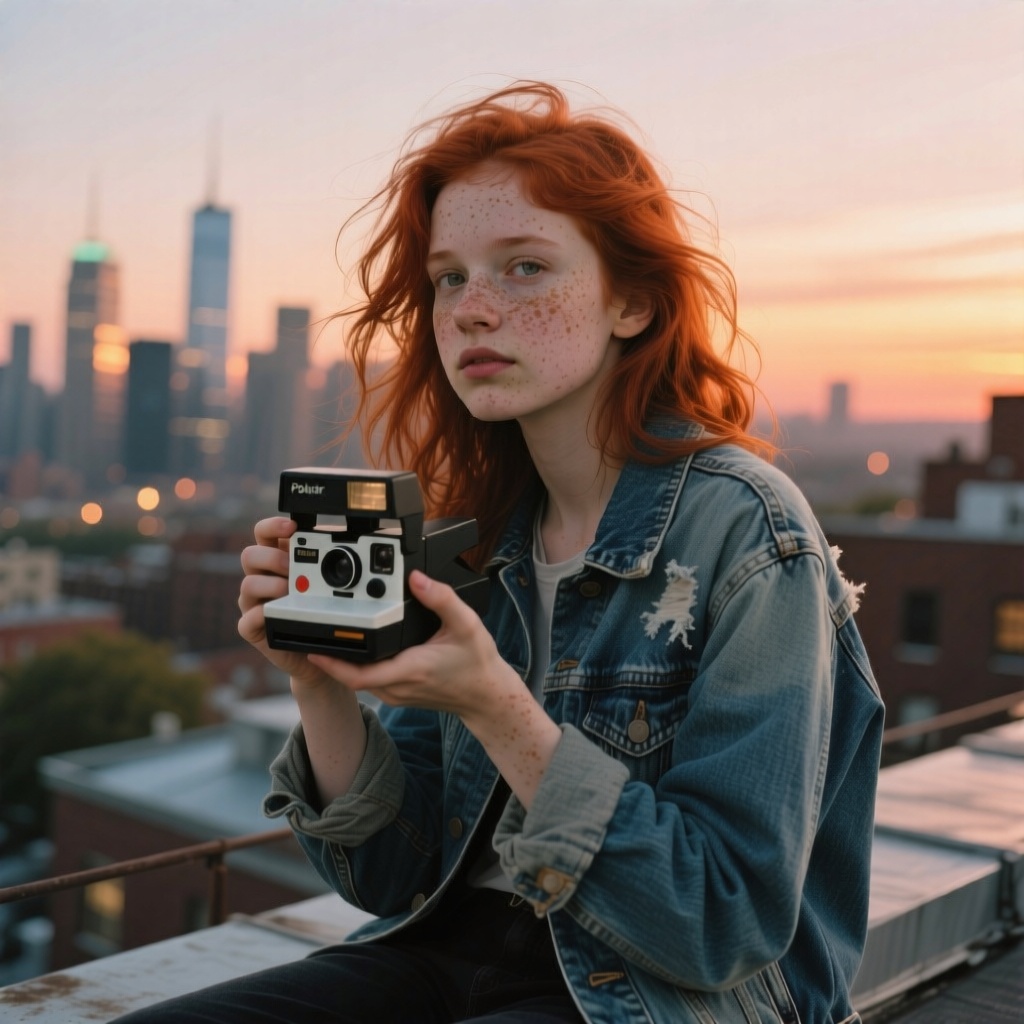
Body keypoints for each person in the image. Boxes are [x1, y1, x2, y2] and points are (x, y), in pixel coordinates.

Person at [117, 81, 884, 1024]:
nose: (473, 309)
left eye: (524, 267)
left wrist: (496, 704)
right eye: (449, 278)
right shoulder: (479, 540)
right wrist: (316, 679)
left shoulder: (750, 533)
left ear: (632, 303)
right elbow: (390, 875)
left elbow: (719, 922)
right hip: (445, 952)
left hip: (663, 995)